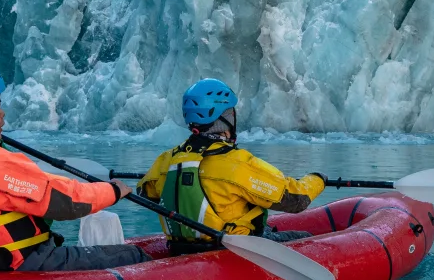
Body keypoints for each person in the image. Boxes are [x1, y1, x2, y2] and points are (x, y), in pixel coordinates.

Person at [0, 60, 146, 273]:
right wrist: (114, 191)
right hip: (23, 263)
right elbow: (68, 202)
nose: (2, 114)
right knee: (134, 256)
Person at [137, 78, 327, 250]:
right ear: (224, 118)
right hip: (233, 250)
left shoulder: (167, 160)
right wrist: (318, 179)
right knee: (306, 238)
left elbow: (145, 193)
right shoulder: (237, 163)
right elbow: (296, 200)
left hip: (181, 247)